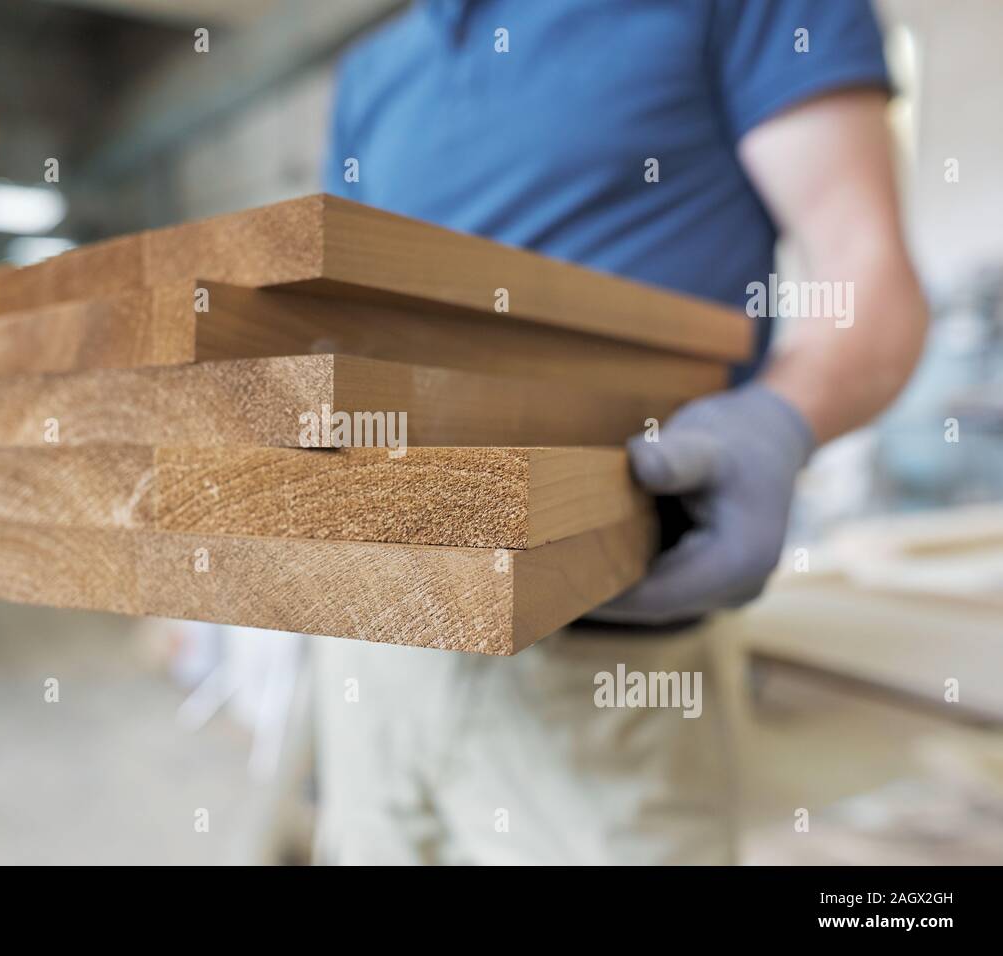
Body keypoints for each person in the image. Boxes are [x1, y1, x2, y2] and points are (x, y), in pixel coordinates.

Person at [312, 0, 928, 864]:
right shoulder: (374, 73)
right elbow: (350, 321)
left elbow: (866, 269)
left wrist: (777, 421)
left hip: (606, 654)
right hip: (374, 640)